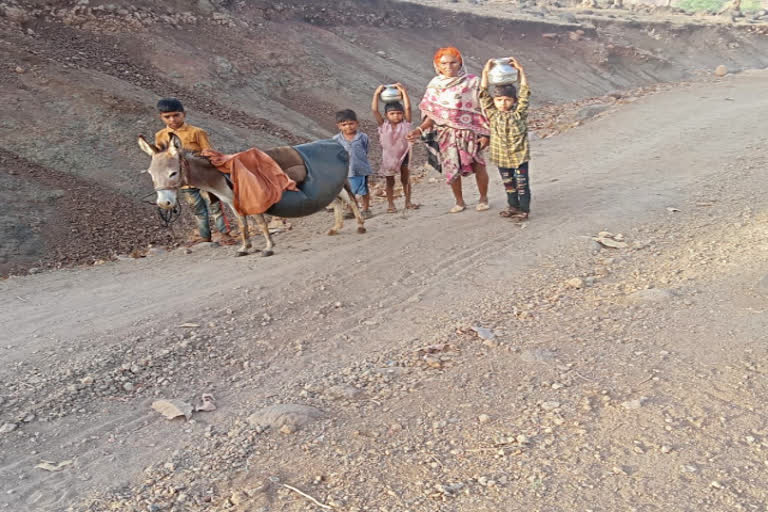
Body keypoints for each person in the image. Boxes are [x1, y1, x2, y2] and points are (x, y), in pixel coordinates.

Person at [407, 47, 491, 213]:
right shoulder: (434, 86)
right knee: (451, 166)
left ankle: (483, 197)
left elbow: (484, 108)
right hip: (446, 134)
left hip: (470, 132)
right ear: (437, 65)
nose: (449, 66)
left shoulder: (473, 82)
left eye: (453, 62)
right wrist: (418, 130)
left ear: (460, 63)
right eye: (444, 63)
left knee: (479, 165)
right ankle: (459, 201)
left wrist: (485, 134)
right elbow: (432, 114)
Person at [154, 97, 233, 243]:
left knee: (215, 206)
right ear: (161, 117)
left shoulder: (197, 132)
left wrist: (194, 156)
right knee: (198, 210)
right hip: (184, 181)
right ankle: (205, 237)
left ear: (184, 114)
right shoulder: (160, 136)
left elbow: (208, 152)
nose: (172, 120)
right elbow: (161, 159)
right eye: (167, 117)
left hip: (204, 178)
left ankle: (225, 235)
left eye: (176, 115)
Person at [480, 57, 532, 221]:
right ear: (494, 101)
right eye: (499, 100)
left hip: (519, 156)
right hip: (501, 156)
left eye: (507, 100)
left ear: (514, 101)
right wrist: (486, 72)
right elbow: (483, 94)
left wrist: (521, 71)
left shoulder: (519, 114)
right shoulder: (493, 114)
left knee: (522, 184)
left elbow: (524, 93)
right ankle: (512, 206)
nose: (503, 103)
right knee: (508, 184)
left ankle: (524, 210)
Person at [372, 83, 419, 213]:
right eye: (392, 113)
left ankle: (408, 201)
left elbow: (408, 107)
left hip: (404, 154)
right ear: (386, 115)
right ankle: (391, 204)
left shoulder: (406, 124)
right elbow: (375, 110)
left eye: (399, 113)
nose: (396, 116)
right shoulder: (383, 125)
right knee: (390, 181)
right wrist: (376, 94)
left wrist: (403, 91)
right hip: (389, 158)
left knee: (405, 179)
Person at [333, 109, 373, 216]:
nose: (348, 127)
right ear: (339, 126)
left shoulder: (362, 137)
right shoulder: (336, 139)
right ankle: (352, 210)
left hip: (361, 168)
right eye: (344, 124)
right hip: (346, 171)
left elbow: (366, 149)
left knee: (364, 190)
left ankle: (366, 209)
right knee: (349, 192)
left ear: (357, 123)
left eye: (351, 123)